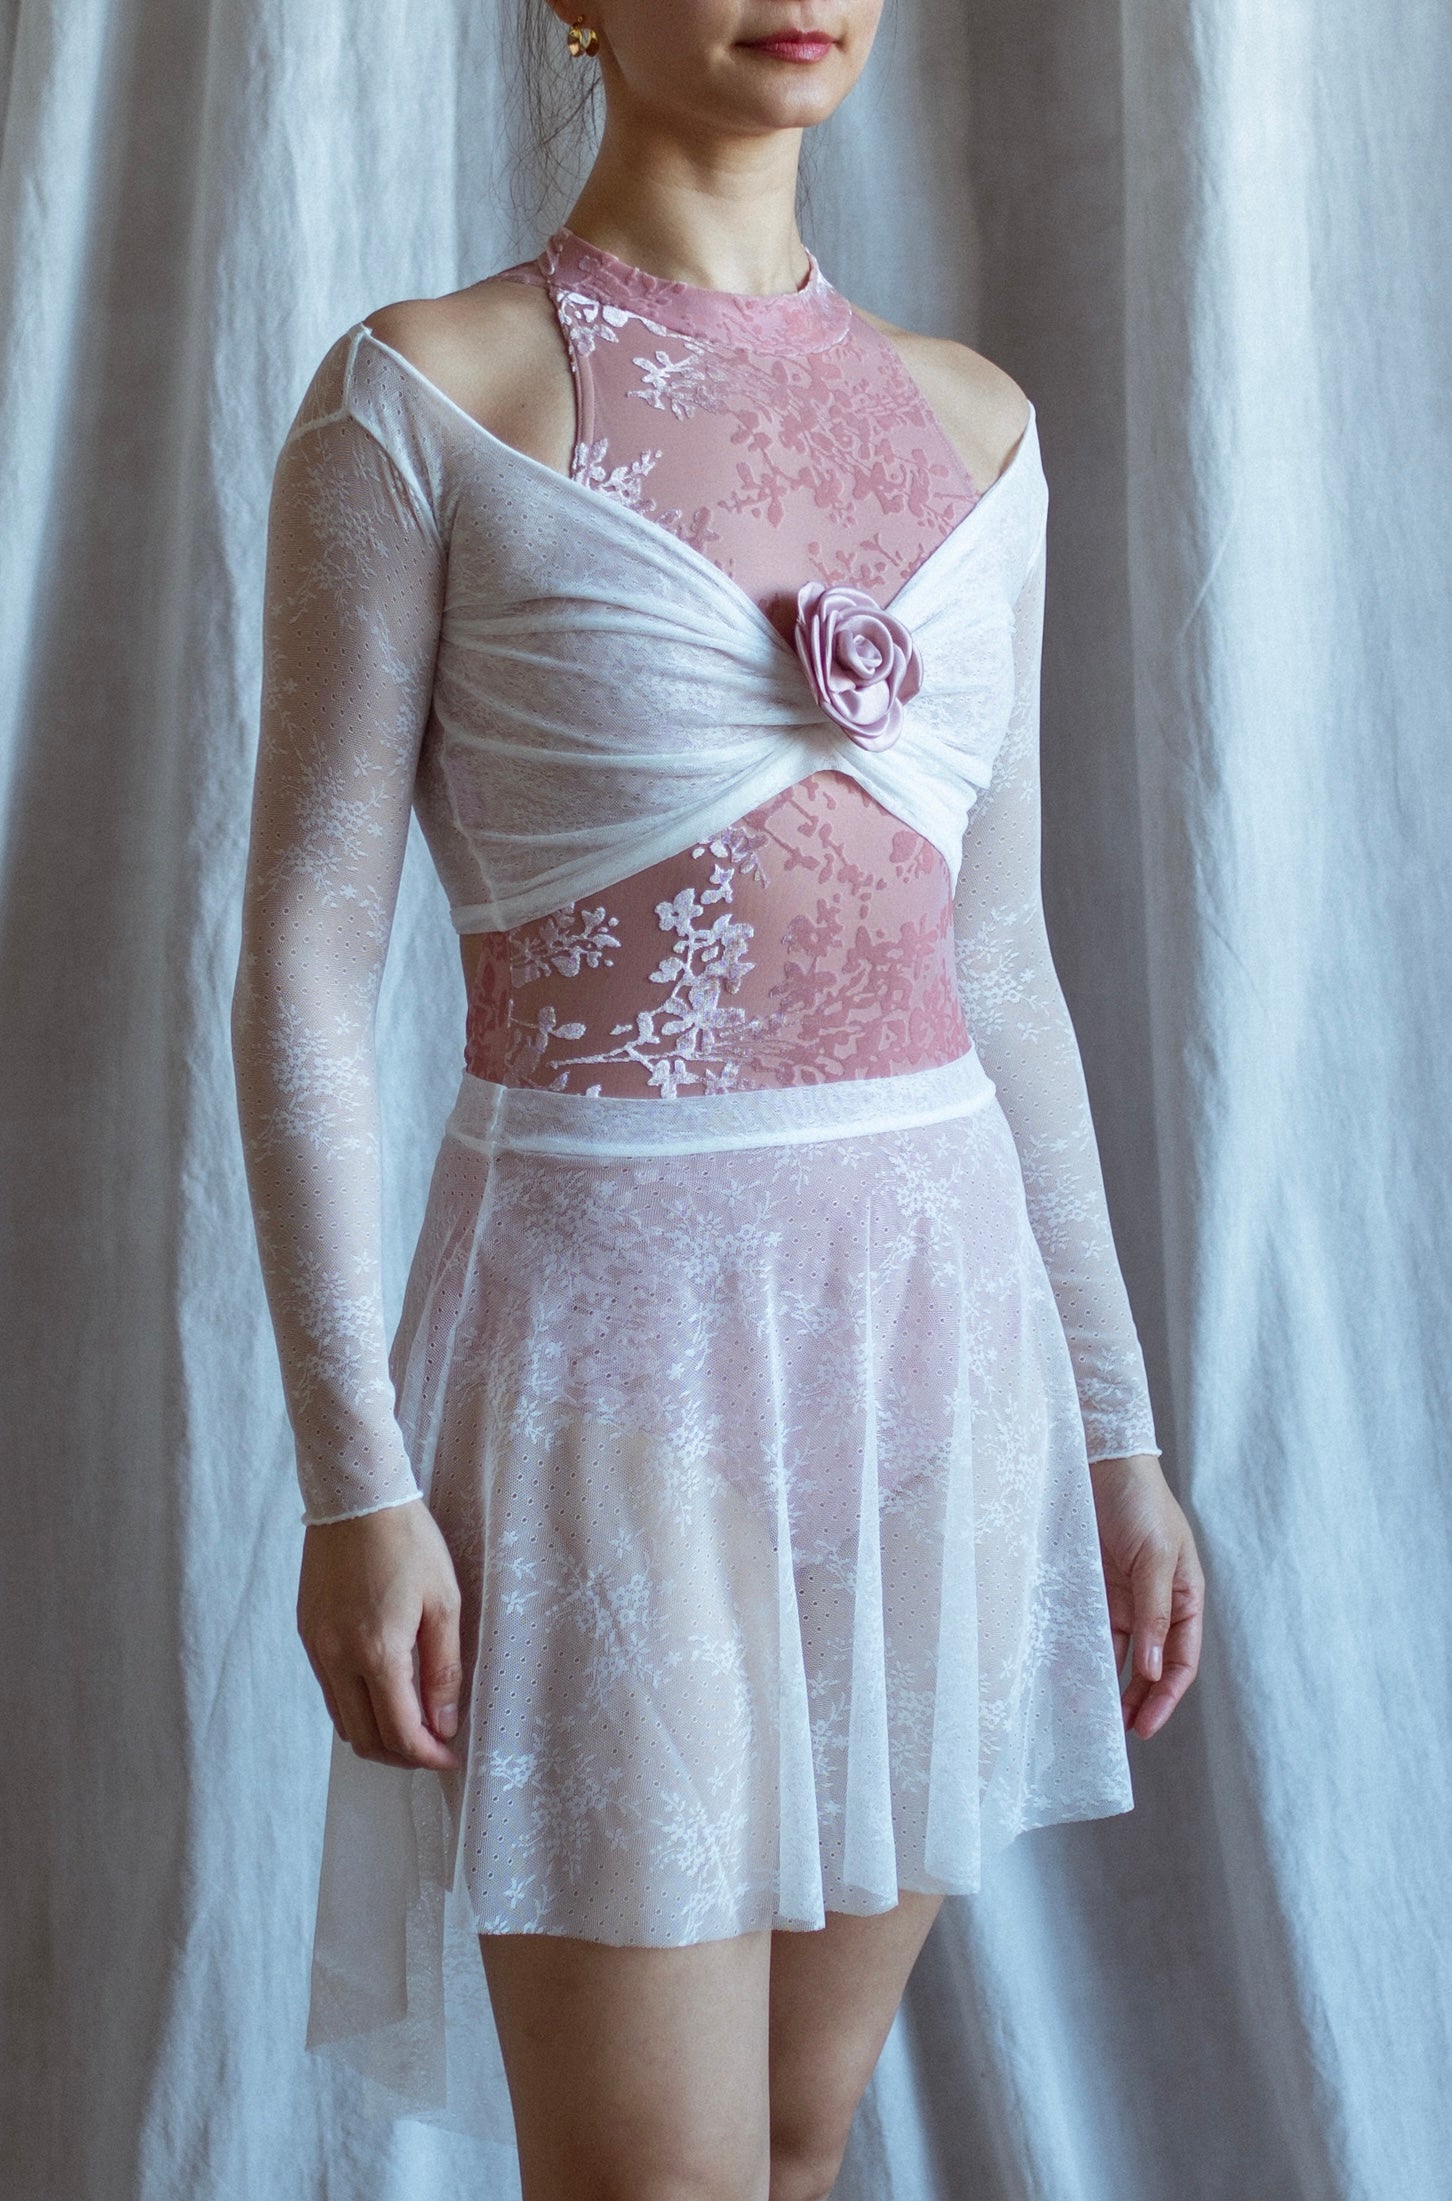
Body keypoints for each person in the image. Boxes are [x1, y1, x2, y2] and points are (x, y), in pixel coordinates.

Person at [232, 3, 1206, 2195]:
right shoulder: (427, 396)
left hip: (939, 1355)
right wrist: (352, 1479)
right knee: (649, 2174)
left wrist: (1121, 1432)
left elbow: (1005, 968)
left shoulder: (977, 427)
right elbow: (305, 954)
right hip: (611, 1363)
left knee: (795, 2131)